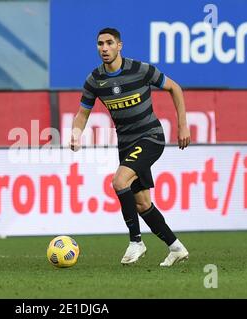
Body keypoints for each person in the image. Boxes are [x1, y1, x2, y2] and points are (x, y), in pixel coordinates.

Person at [69, 27, 191, 267]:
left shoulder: (141, 70)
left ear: (119, 46)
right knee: (142, 203)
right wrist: (75, 133)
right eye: (100, 44)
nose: (104, 48)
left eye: (109, 43)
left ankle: (136, 241)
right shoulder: (95, 80)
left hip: (151, 137)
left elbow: (174, 88)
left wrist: (183, 125)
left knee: (119, 182)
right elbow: (83, 113)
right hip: (125, 144)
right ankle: (175, 247)